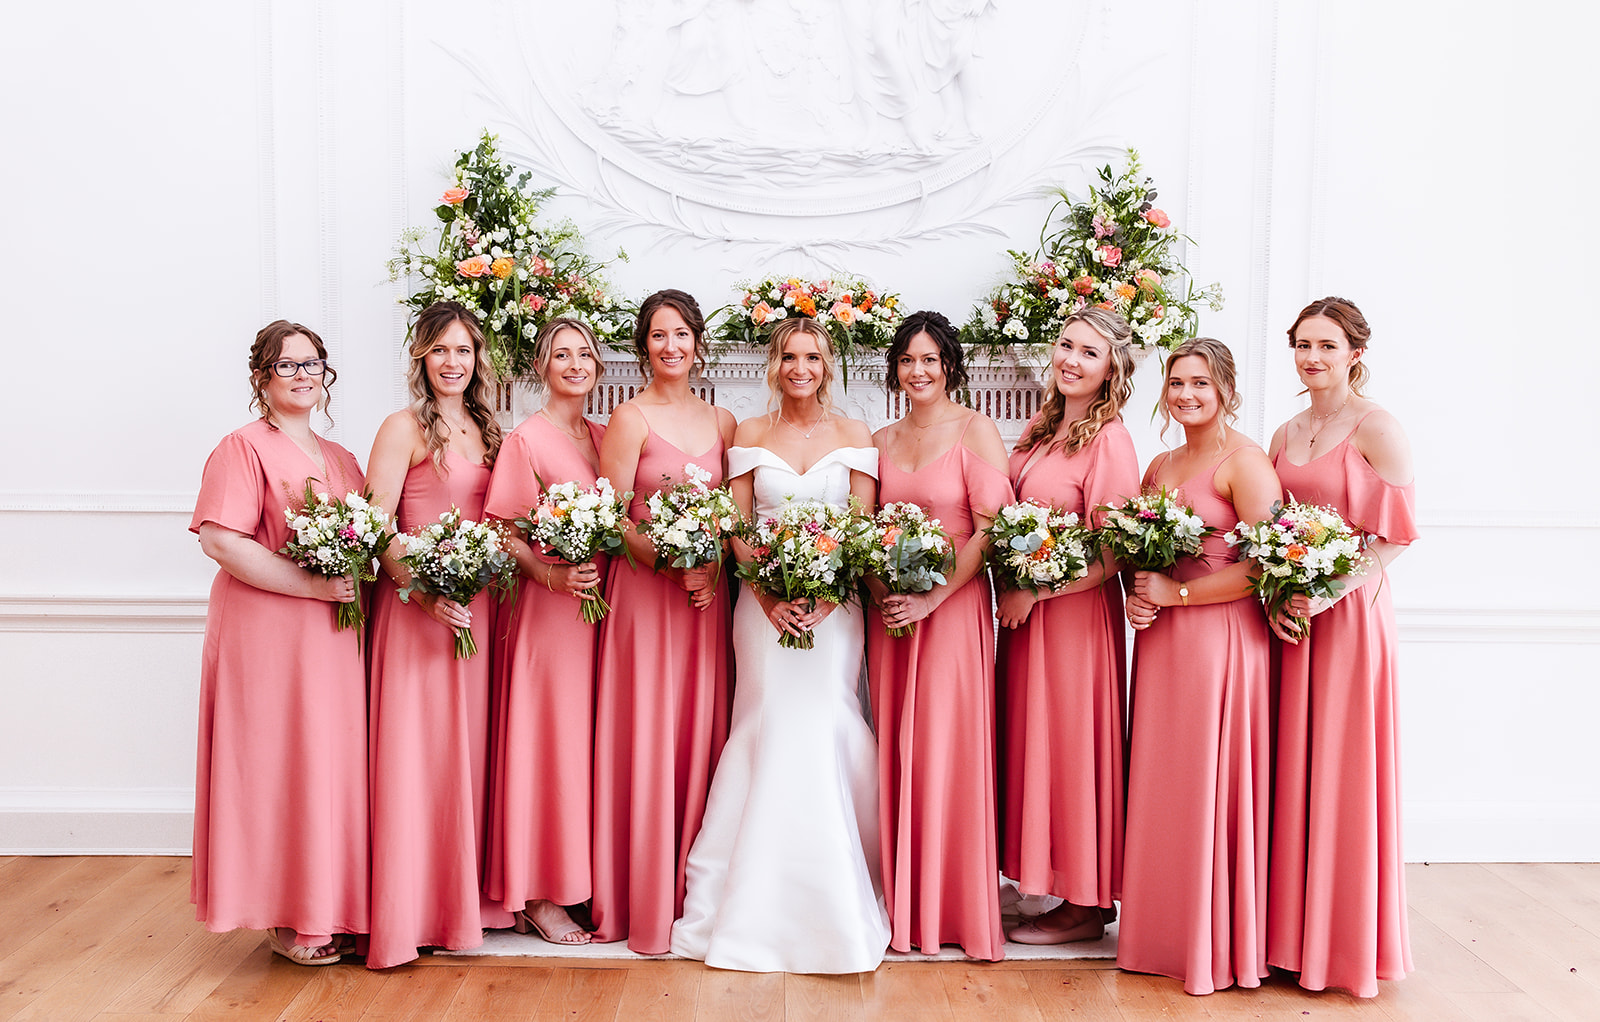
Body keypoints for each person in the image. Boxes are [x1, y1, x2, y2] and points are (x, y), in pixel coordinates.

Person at [671, 317, 890, 973]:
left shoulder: (855, 436)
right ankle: (743, 903)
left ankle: (842, 894)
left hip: (835, 610)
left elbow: (860, 527)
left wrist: (824, 599)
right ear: (775, 364)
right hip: (760, 609)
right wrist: (767, 596)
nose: (802, 367)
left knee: (825, 721)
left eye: (813, 357)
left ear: (829, 363)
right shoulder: (751, 432)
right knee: (765, 725)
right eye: (790, 357)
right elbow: (737, 525)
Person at [189, 320, 367, 965]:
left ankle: (327, 901)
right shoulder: (241, 448)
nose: (302, 374)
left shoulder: (343, 459)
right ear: (262, 377)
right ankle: (284, 912)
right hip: (266, 632)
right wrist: (311, 588)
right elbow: (221, 540)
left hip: (332, 635)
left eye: (312, 363)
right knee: (276, 763)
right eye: (286, 364)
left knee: (326, 762)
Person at [1115, 337, 1282, 994]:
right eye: (1177, 383)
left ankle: (1213, 943)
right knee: (1165, 780)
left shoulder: (1246, 464)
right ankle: (1160, 936)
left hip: (1220, 640)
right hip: (1163, 644)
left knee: (1209, 782)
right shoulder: (1160, 464)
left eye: (1200, 385)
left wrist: (1178, 594)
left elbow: (1266, 563)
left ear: (1226, 392)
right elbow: (1141, 553)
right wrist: (1140, 593)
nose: (1186, 395)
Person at [1265, 297, 1416, 997]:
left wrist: (1326, 593)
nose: (1312, 358)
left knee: (1341, 770)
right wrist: (1277, 596)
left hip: (1350, 618)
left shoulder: (1378, 426)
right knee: (1290, 767)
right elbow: (1264, 528)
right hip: (1288, 617)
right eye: (1302, 345)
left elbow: (1394, 537)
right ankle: (1287, 939)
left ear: (1356, 351)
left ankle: (1343, 945)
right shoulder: (1284, 431)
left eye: (1327, 346)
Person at [363, 301, 514, 969]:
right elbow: (375, 527)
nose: (454, 362)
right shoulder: (402, 427)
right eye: (441, 350)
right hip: (417, 611)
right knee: (416, 757)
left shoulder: (488, 428)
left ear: (479, 359)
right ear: (421, 358)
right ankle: (409, 908)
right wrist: (423, 591)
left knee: (467, 755)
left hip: (477, 609)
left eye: (465, 350)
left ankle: (462, 903)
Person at [590, 289, 736, 954]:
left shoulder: (725, 422)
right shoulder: (629, 419)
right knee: (647, 734)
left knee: (700, 736)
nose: (671, 346)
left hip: (705, 602)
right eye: (658, 336)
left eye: (681, 334)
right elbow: (613, 519)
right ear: (643, 346)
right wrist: (670, 561)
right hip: (647, 600)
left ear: (697, 341)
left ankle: (696, 896)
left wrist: (710, 568)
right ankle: (639, 898)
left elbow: (736, 518)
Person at [866, 310, 1014, 961]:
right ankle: (903, 901)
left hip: (950, 614)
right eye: (907, 360)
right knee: (897, 748)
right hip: (891, 614)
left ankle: (953, 908)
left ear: (950, 365)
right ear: (895, 369)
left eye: (930, 359)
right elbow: (862, 528)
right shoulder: (878, 438)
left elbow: (991, 530)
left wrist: (931, 598)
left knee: (947, 750)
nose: (918, 371)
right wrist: (883, 593)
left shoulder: (976, 429)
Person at [997, 307, 1141, 945]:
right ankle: (1036, 878)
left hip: (1075, 619)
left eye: (1089, 352)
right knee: (1034, 742)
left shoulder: (1110, 439)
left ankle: (1086, 903)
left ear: (1112, 370)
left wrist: (1038, 588)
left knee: (1073, 745)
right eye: (1065, 345)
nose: (1071, 360)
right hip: (1029, 618)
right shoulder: (1043, 427)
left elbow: (1116, 550)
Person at [482, 318, 608, 945]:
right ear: (541, 365)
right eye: (562, 354)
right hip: (550, 613)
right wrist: (552, 578)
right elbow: (502, 529)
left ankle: (577, 880)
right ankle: (536, 894)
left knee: (585, 747)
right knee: (547, 743)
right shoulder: (525, 440)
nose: (575, 364)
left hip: (602, 616)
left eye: (585, 353)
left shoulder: (605, 437)